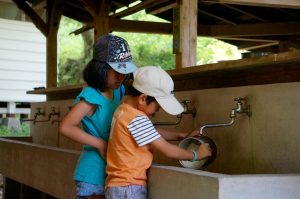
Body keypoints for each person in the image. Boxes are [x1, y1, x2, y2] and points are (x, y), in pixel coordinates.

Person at [105, 66, 212, 199]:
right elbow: (168, 150)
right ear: (143, 98)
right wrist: (196, 155)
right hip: (129, 187)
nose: (158, 110)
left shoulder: (123, 110)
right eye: (158, 106)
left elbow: (152, 133)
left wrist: (182, 135)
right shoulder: (137, 118)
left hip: (118, 186)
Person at [59, 34, 137, 199]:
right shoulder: (91, 97)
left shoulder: (119, 90)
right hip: (93, 173)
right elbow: (66, 127)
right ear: (100, 69)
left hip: (112, 169)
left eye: (123, 71)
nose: (120, 76)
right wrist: (101, 144)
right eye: (115, 71)